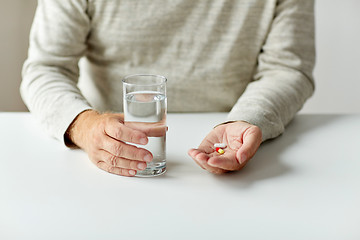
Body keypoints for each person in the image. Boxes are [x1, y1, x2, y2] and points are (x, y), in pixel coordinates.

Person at [21, 0, 315, 176]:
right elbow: (46, 67)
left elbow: (286, 68)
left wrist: (248, 120)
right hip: (108, 162)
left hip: (236, 150)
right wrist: (83, 126)